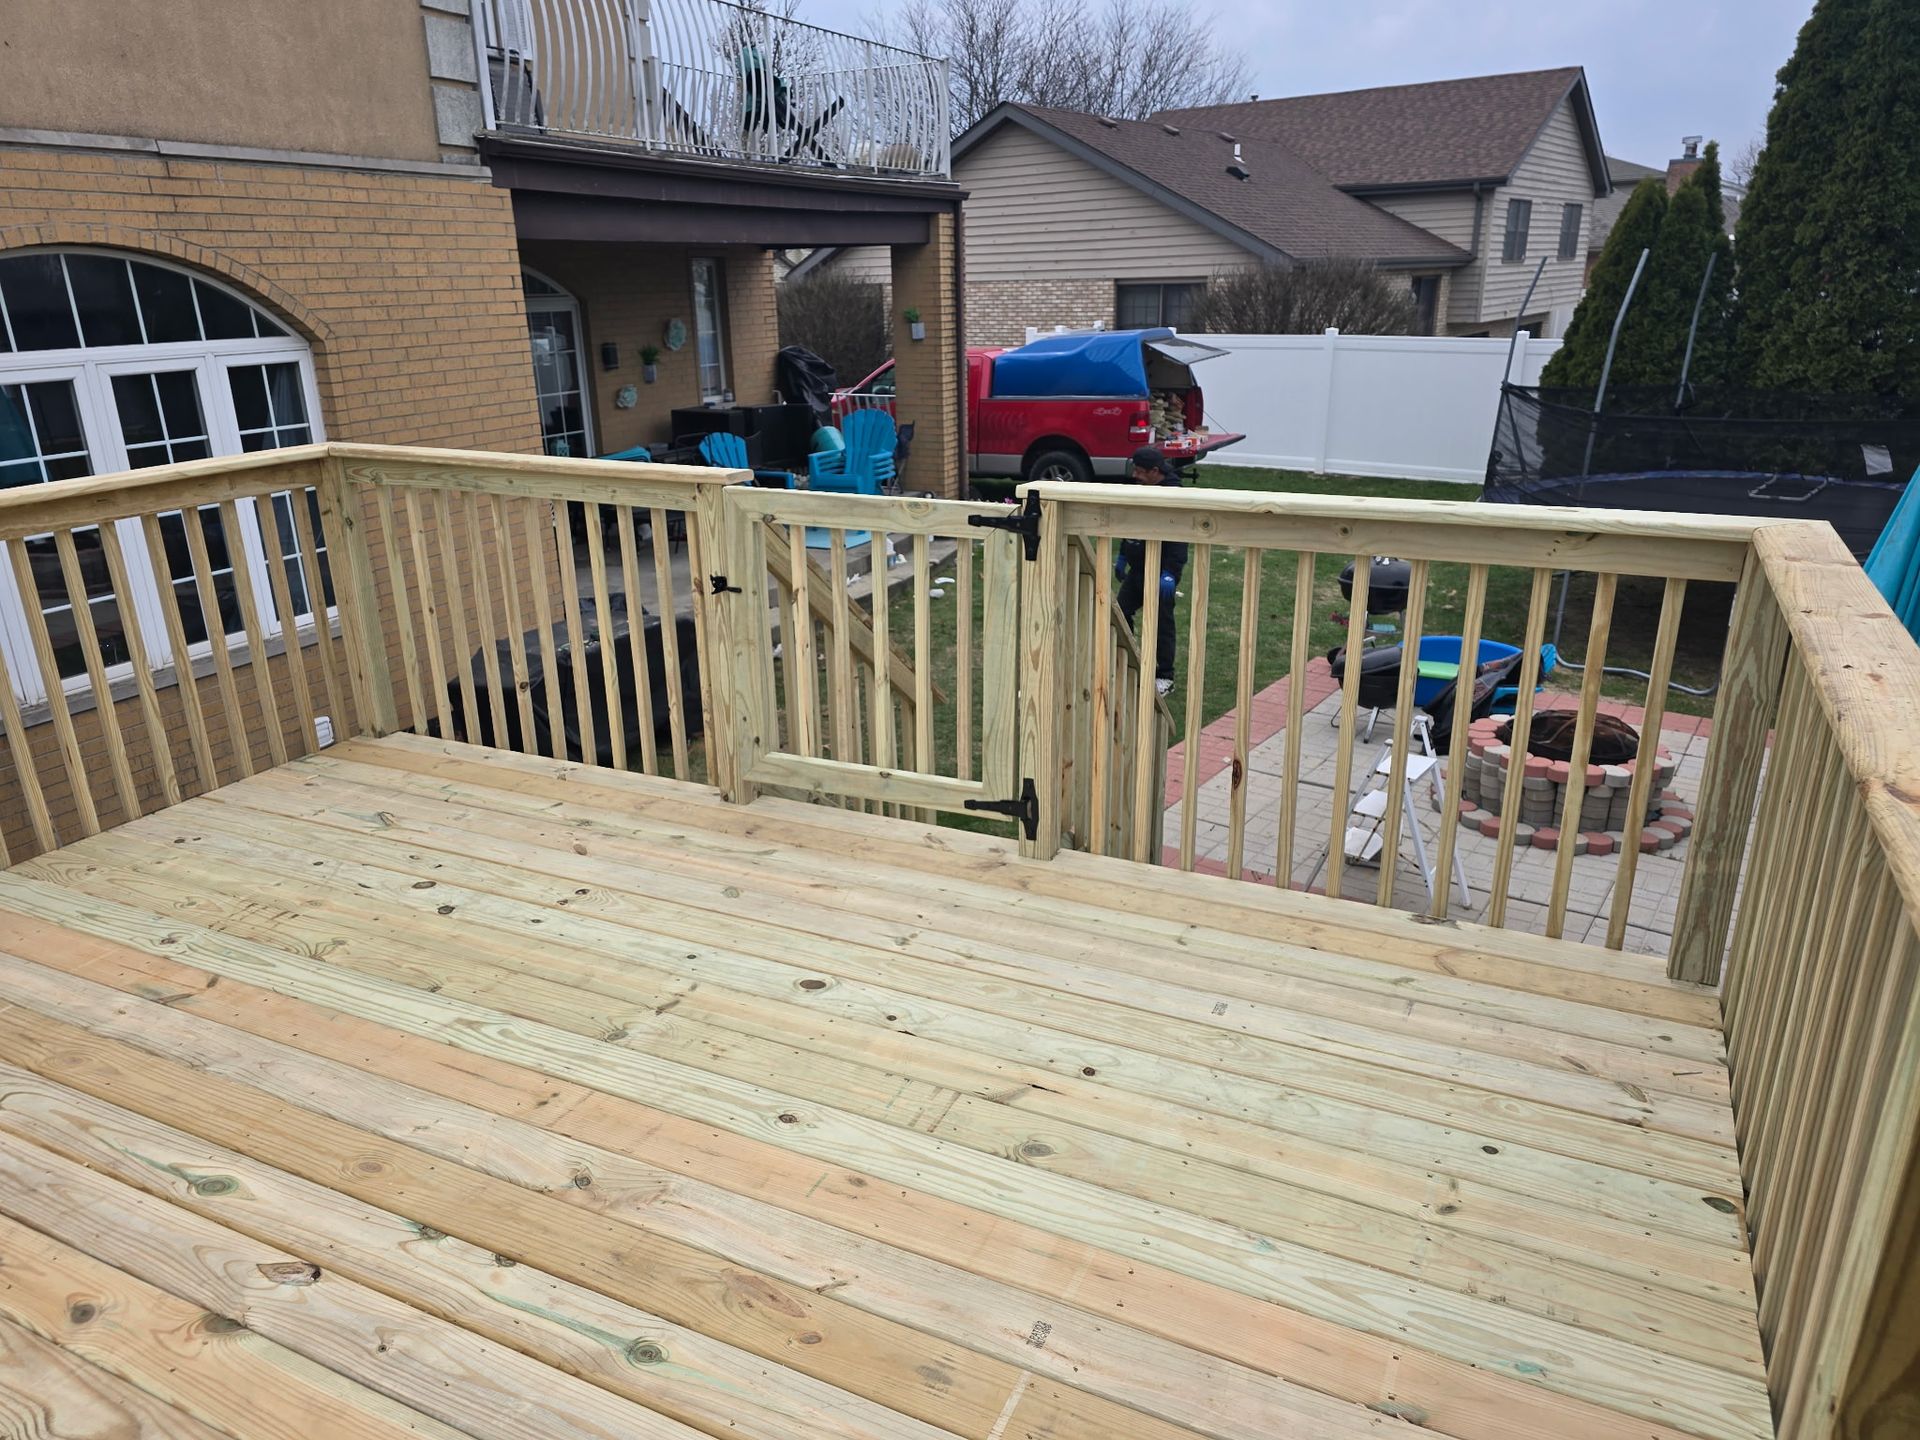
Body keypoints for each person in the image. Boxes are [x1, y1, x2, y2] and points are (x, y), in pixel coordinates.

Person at [1115, 446, 1188, 696]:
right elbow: (1132, 521)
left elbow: (1179, 538)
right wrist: (1124, 553)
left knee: (1160, 623)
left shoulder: (1173, 496)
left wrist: (1170, 573)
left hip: (1161, 572)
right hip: (1138, 569)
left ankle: (1165, 676)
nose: (1135, 474)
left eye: (1139, 470)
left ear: (1155, 471)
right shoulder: (1143, 488)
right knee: (1120, 612)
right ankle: (1128, 661)